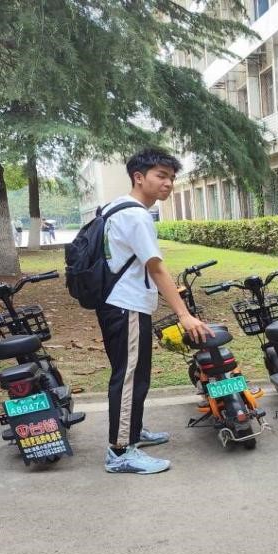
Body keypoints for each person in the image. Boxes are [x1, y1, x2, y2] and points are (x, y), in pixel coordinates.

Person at [98, 147, 213, 474]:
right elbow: (156, 268)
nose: (168, 184)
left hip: (115, 302)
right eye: (161, 176)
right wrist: (184, 315)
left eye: (172, 178)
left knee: (132, 374)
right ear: (139, 177)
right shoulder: (136, 215)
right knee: (130, 378)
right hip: (127, 305)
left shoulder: (114, 207)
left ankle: (132, 431)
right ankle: (121, 451)